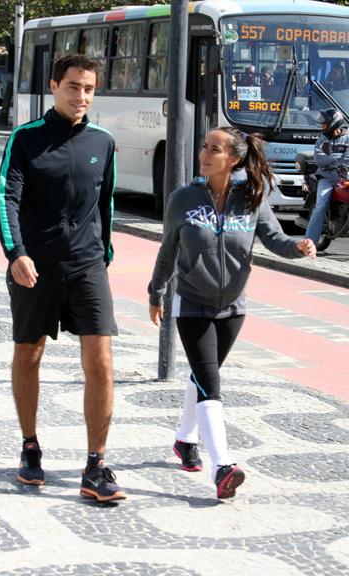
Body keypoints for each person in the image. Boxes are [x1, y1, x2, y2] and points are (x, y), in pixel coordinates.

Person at [148, 127, 316, 500]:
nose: (204, 154)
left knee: (203, 375)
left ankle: (183, 439)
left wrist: (298, 247)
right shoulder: (183, 199)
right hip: (192, 305)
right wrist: (156, 291)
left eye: (214, 149)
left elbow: (275, 239)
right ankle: (222, 466)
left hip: (233, 308)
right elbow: (167, 250)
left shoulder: (251, 197)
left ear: (235, 159)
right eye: (204, 147)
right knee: (210, 381)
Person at [0, 54, 126, 502]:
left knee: (102, 362)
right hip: (36, 266)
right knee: (29, 355)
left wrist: (104, 255)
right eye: (74, 87)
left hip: (88, 266)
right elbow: (6, 197)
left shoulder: (104, 141)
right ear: (54, 86)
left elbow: (106, 203)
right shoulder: (25, 139)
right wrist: (16, 253)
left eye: (89, 88)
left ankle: (97, 464)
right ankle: (30, 446)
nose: (82, 96)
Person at [305, 108, 349, 246]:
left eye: (324, 124)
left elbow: (348, 160)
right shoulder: (322, 139)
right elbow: (318, 159)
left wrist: (331, 160)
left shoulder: (348, 138)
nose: (322, 127)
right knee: (321, 205)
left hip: (346, 177)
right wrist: (336, 160)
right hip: (327, 178)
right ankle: (310, 242)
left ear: (334, 123)